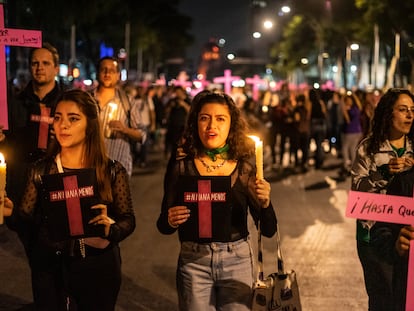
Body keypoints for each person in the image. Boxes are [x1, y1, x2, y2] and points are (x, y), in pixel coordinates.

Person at [4, 89, 136, 310]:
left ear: (89, 125)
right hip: (51, 267)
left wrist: (111, 228)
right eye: (57, 117)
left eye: (73, 119)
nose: (62, 125)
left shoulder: (111, 170)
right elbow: (25, 218)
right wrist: (10, 213)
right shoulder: (41, 170)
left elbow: (128, 219)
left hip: (98, 266)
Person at [157, 90, 277, 310]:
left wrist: (266, 202)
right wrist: (171, 219)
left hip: (237, 261)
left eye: (220, 119)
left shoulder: (244, 170)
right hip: (193, 262)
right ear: (195, 123)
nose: (212, 125)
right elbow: (163, 225)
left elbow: (268, 230)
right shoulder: (181, 166)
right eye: (205, 118)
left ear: (231, 125)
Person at [351, 88, 414, 311]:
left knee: (405, 298)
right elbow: (357, 193)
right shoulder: (368, 149)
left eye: (412, 111)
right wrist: (383, 174)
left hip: (407, 234)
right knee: (383, 298)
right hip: (373, 236)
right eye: (403, 110)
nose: (409, 115)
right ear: (388, 113)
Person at [92, 56, 143, 177]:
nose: (107, 73)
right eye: (103, 69)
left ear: (118, 75)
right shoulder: (86, 100)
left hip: (119, 169)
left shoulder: (128, 102)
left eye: (112, 70)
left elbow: (142, 135)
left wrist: (124, 129)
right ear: (97, 73)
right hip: (90, 167)